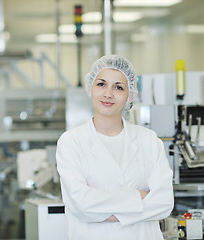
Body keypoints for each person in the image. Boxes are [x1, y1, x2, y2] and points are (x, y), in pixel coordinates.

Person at [56, 55, 174, 240]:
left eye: (119, 87)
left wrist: (104, 208)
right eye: (101, 84)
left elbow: (164, 202)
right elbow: (82, 205)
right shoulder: (71, 142)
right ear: (90, 88)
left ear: (130, 96)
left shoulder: (148, 140)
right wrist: (140, 197)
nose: (108, 94)